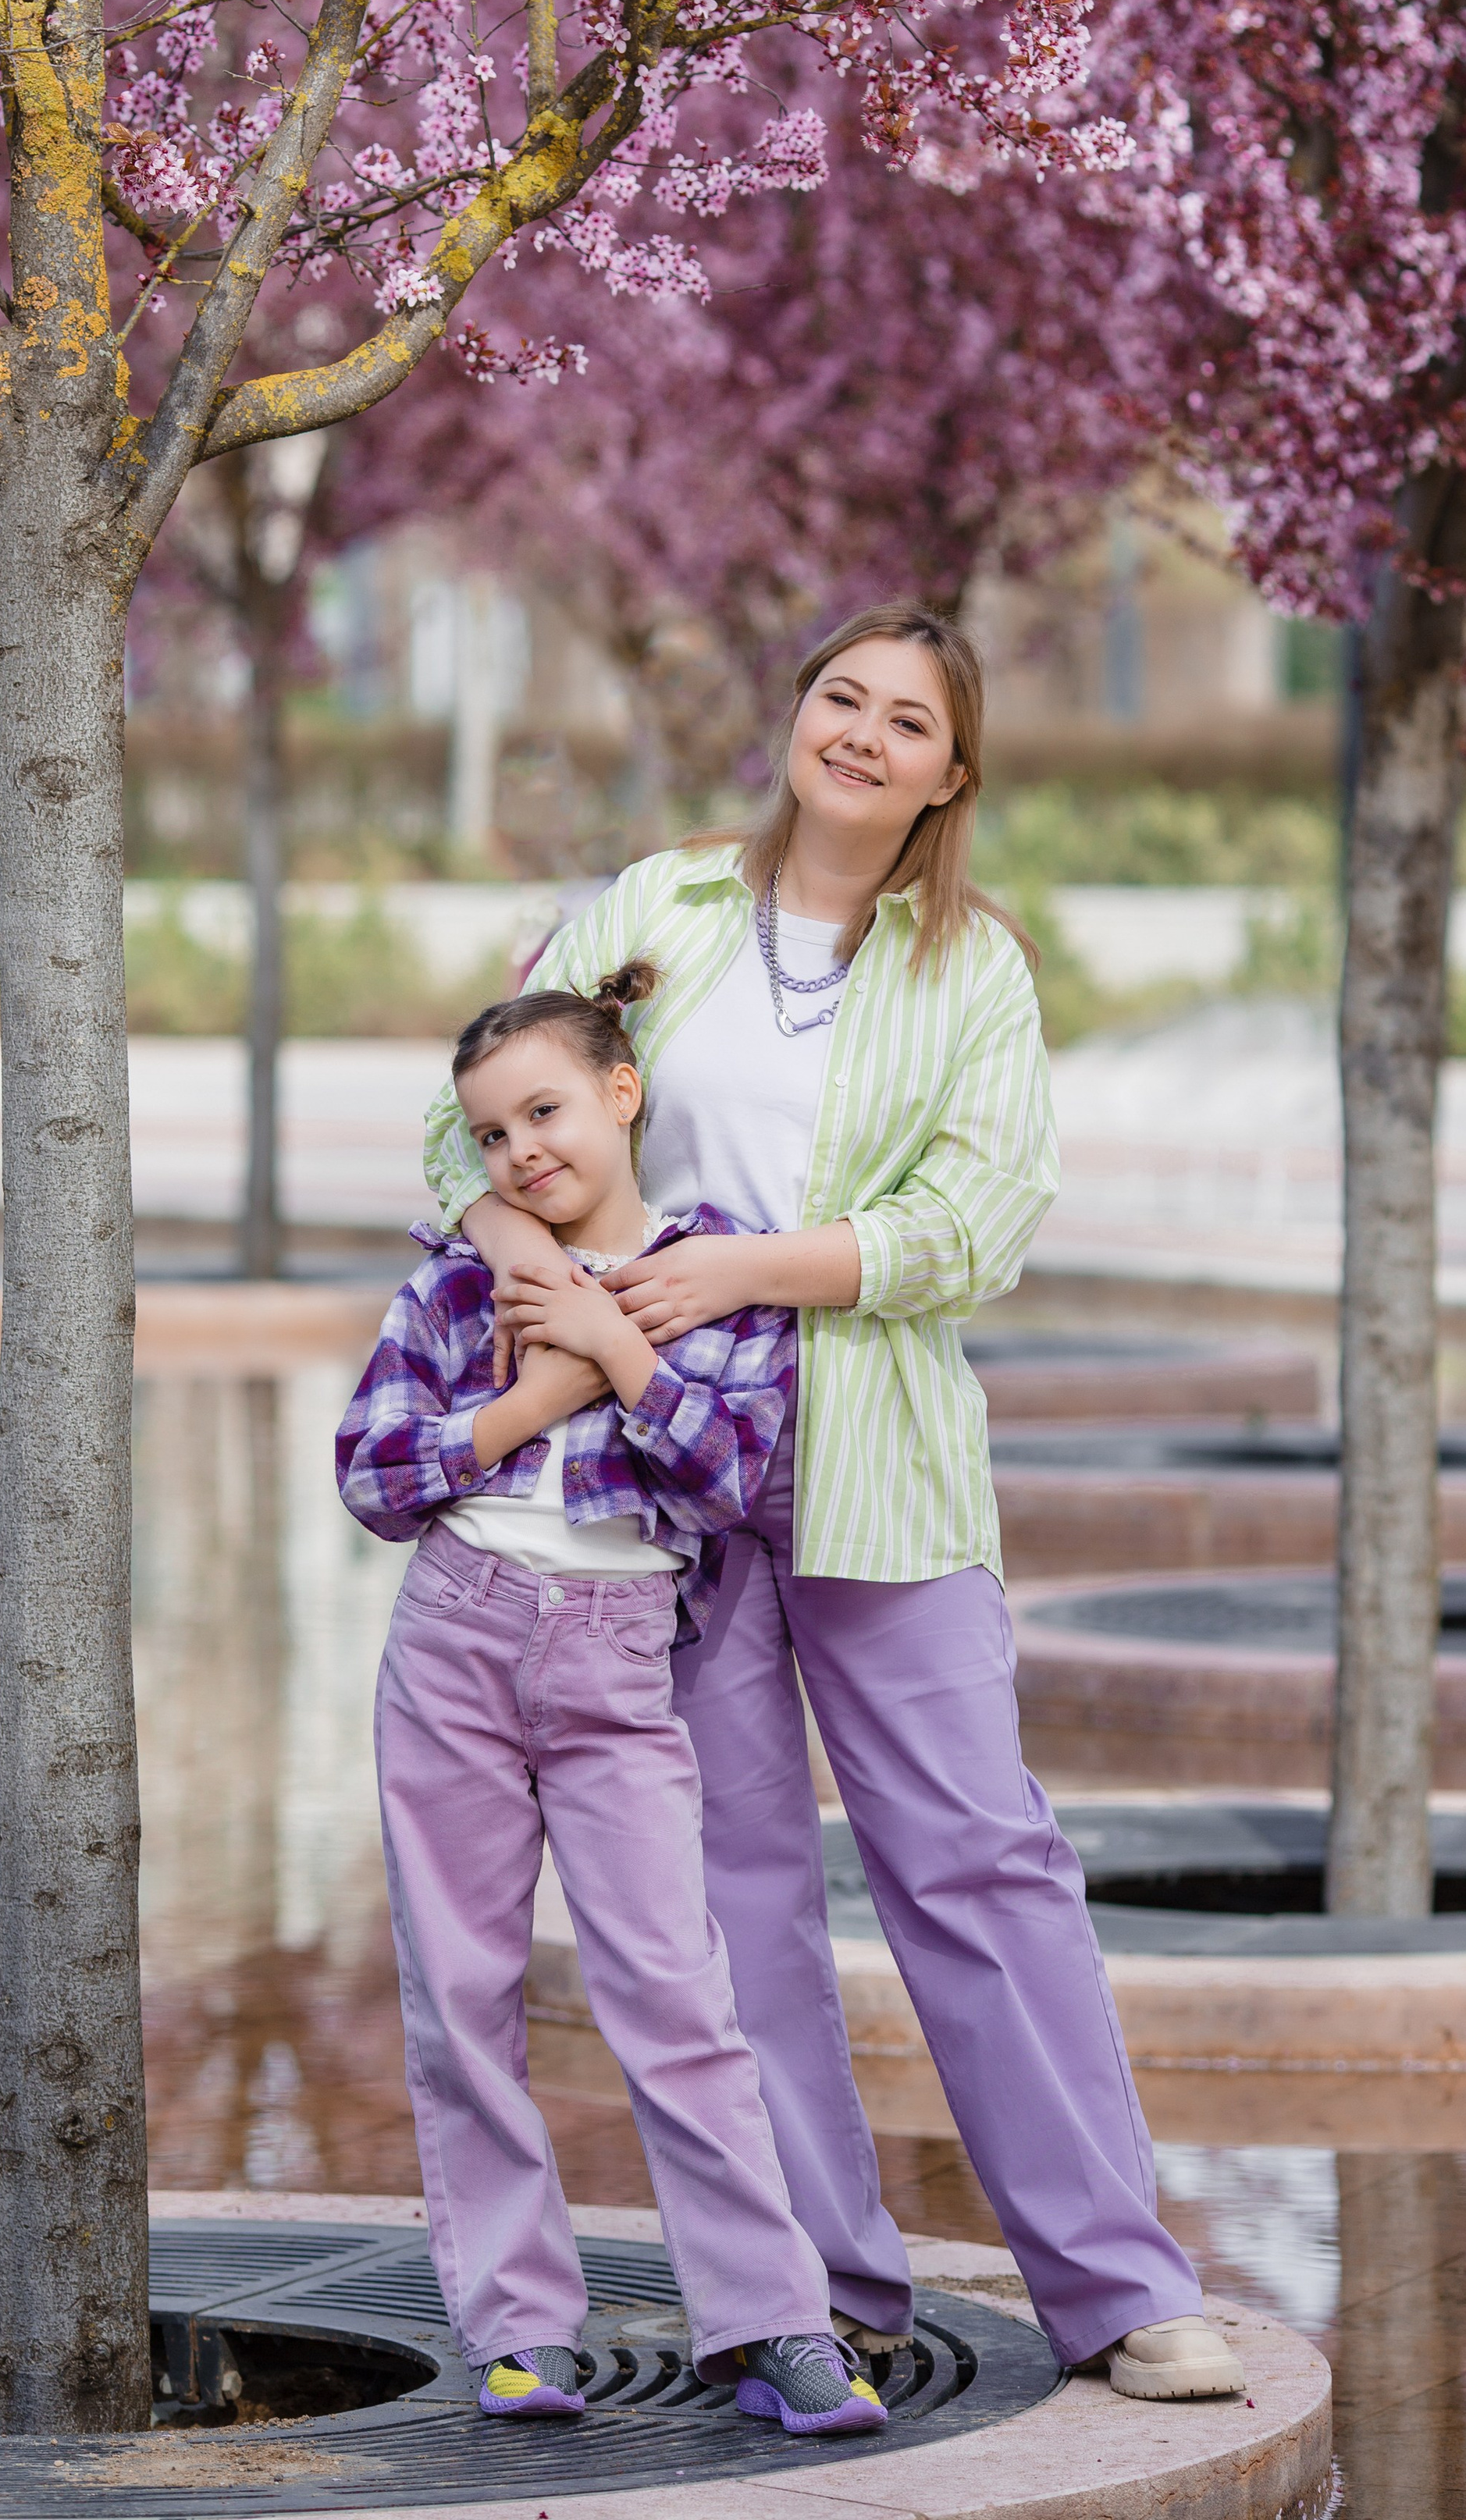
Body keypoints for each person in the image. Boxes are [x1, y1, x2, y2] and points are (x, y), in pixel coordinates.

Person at [424, 603, 1246, 2405]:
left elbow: (976, 1230)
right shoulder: (654, 912)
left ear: (951, 774)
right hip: (655, 1481)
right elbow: (463, 1135)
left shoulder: (975, 973)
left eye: (906, 720)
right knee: (733, 1891)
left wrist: (739, 1276)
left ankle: (1116, 2286)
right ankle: (817, 2289)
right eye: (837, 697)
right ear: (791, 717)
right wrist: (523, 1261)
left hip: (877, 1460)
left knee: (979, 1861)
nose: (860, 734)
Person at [337, 967, 891, 2438]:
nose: (526, 1152)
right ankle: (521, 2330)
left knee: (675, 1992)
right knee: (463, 1998)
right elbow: (374, 1474)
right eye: (496, 1133)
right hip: (453, 1638)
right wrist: (535, 1402)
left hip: (617, 1656)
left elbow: (726, 1477)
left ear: (622, 1092)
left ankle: (772, 2323)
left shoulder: (714, 1275)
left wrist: (619, 1348)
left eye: (548, 1110)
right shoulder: (458, 1279)